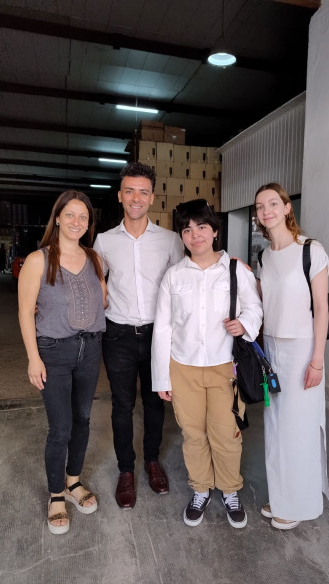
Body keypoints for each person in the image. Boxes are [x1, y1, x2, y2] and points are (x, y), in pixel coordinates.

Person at [151, 200, 263, 528]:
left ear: (214, 231)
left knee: (227, 434)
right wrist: (162, 378)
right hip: (182, 369)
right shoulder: (173, 276)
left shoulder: (235, 270)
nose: (194, 234)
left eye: (201, 227)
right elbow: (164, 327)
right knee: (193, 433)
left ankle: (229, 490)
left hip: (226, 367)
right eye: (187, 229)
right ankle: (201, 488)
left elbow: (255, 307)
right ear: (182, 236)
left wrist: (244, 324)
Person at [93, 161, 184, 510]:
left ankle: (151, 461)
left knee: (154, 402)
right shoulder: (104, 241)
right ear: (120, 195)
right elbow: (95, 284)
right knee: (121, 405)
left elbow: (185, 280)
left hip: (158, 335)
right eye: (129, 190)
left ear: (152, 197)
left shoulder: (169, 240)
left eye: (143, 192)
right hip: (117, 335)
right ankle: (126, 471)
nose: (136, 197)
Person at [18, 190, 107, 535]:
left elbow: (103, 300)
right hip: (53, 351)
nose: (76, 222)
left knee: (83, 419)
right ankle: (56, 494)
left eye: (83, 217)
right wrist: (33, 358)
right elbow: (25, 311)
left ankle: (73, 483)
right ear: (57, 217)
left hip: (90, 349)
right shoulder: (39, 259)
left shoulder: (94, 258)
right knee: (61, 427)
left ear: (89, 224)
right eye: (69, 215)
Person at [254, 182, 329, 530]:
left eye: (273, 203)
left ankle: (299, 504)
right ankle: (283, 496)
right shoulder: (263, 257)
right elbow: (262, 305)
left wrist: (317, 360)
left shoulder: (311, 250)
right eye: (259, 206)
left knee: (298, 430)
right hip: (271, 349)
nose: (266, 210)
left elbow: (322, 309)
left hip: (302, 349)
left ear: (287, 208)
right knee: (275, 429)